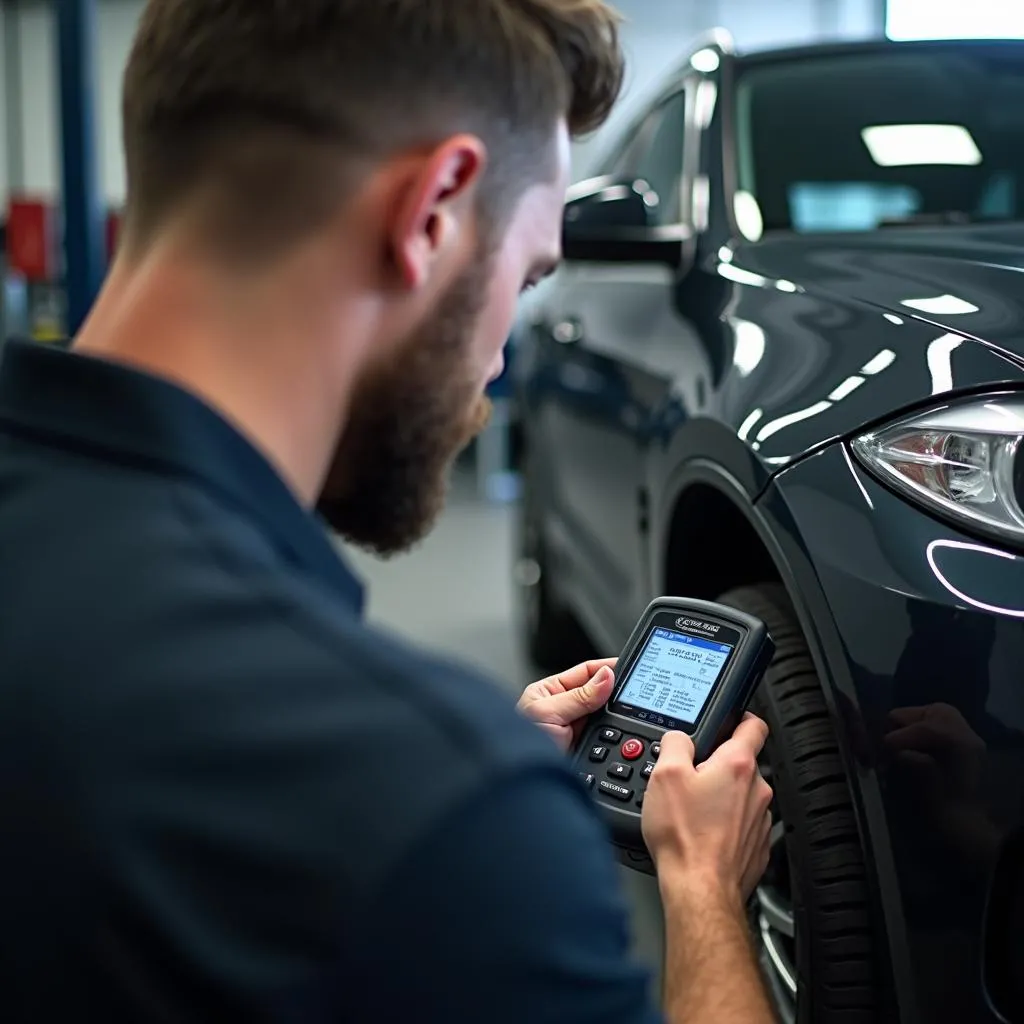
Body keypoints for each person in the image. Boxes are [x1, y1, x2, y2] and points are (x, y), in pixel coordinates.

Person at [0, 2, 775, 1022]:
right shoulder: (437, 809)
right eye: (526, 274)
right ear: (433, 213)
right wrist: (700, 888)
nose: (501, 355)